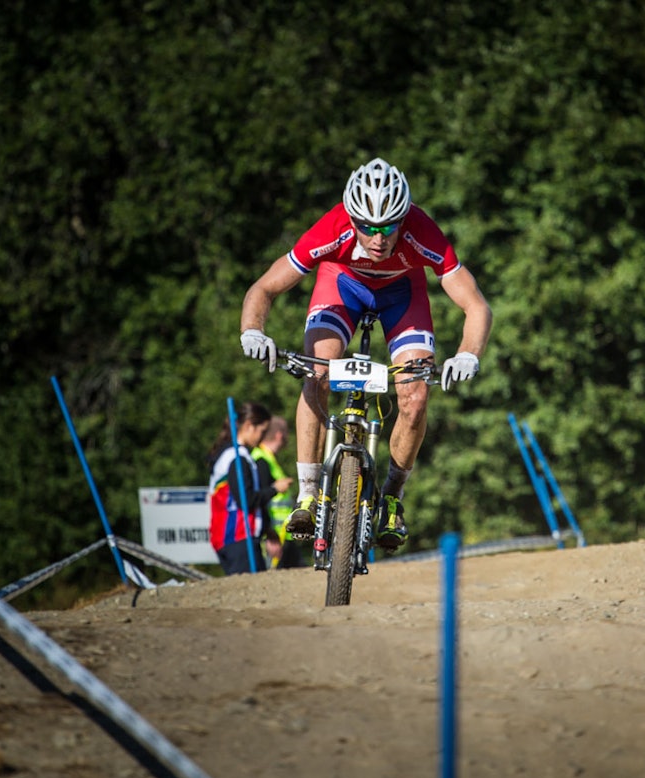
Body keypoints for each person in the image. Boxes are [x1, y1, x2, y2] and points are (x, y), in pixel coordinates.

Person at [238, 157, 492, 551]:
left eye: (389, 226)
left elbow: (476, 306)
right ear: (351, 218)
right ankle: (308, 494)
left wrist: (467, 355)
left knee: (415, 394)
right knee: (318, 371)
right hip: (342, 285)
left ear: (403, 219)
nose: (379, 238)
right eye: (368, 227)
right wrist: (252, 331)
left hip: (401, 294)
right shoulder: (332, 228)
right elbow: (263, 289)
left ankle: (392, 496)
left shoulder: (423, 232)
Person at [207, 402, 294, 576]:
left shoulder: (233, 455)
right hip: (237, 537)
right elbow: (246, 500)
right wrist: (274, 489)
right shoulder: (236, 458)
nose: (261, 438)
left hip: (235, 538)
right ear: (249, 427)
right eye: (261, 431)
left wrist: (267, 530)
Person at [250, 415, 300, 568]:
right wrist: (269, 534)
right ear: (279, 435)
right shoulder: (261, 459)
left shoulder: (269, 458)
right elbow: (260, 499)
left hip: (283, 534)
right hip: (274, 538)